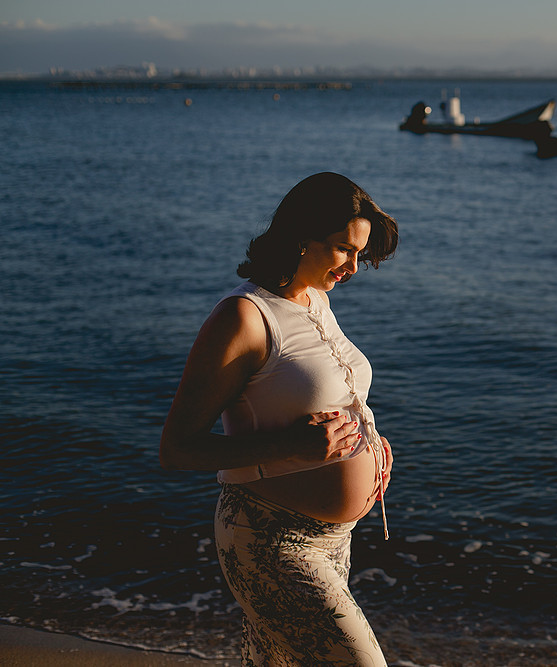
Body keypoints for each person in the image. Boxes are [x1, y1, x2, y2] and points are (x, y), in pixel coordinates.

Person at [160, 172, 398, 666]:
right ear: (299, 238)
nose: (354, 266)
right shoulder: (243, 317)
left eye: (361, 253)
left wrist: (371, 439)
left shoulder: (316, 299)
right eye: (343, 249)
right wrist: (290, 449)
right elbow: (177, 448)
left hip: (333, 539)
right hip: (269, 538)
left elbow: (314, 391)